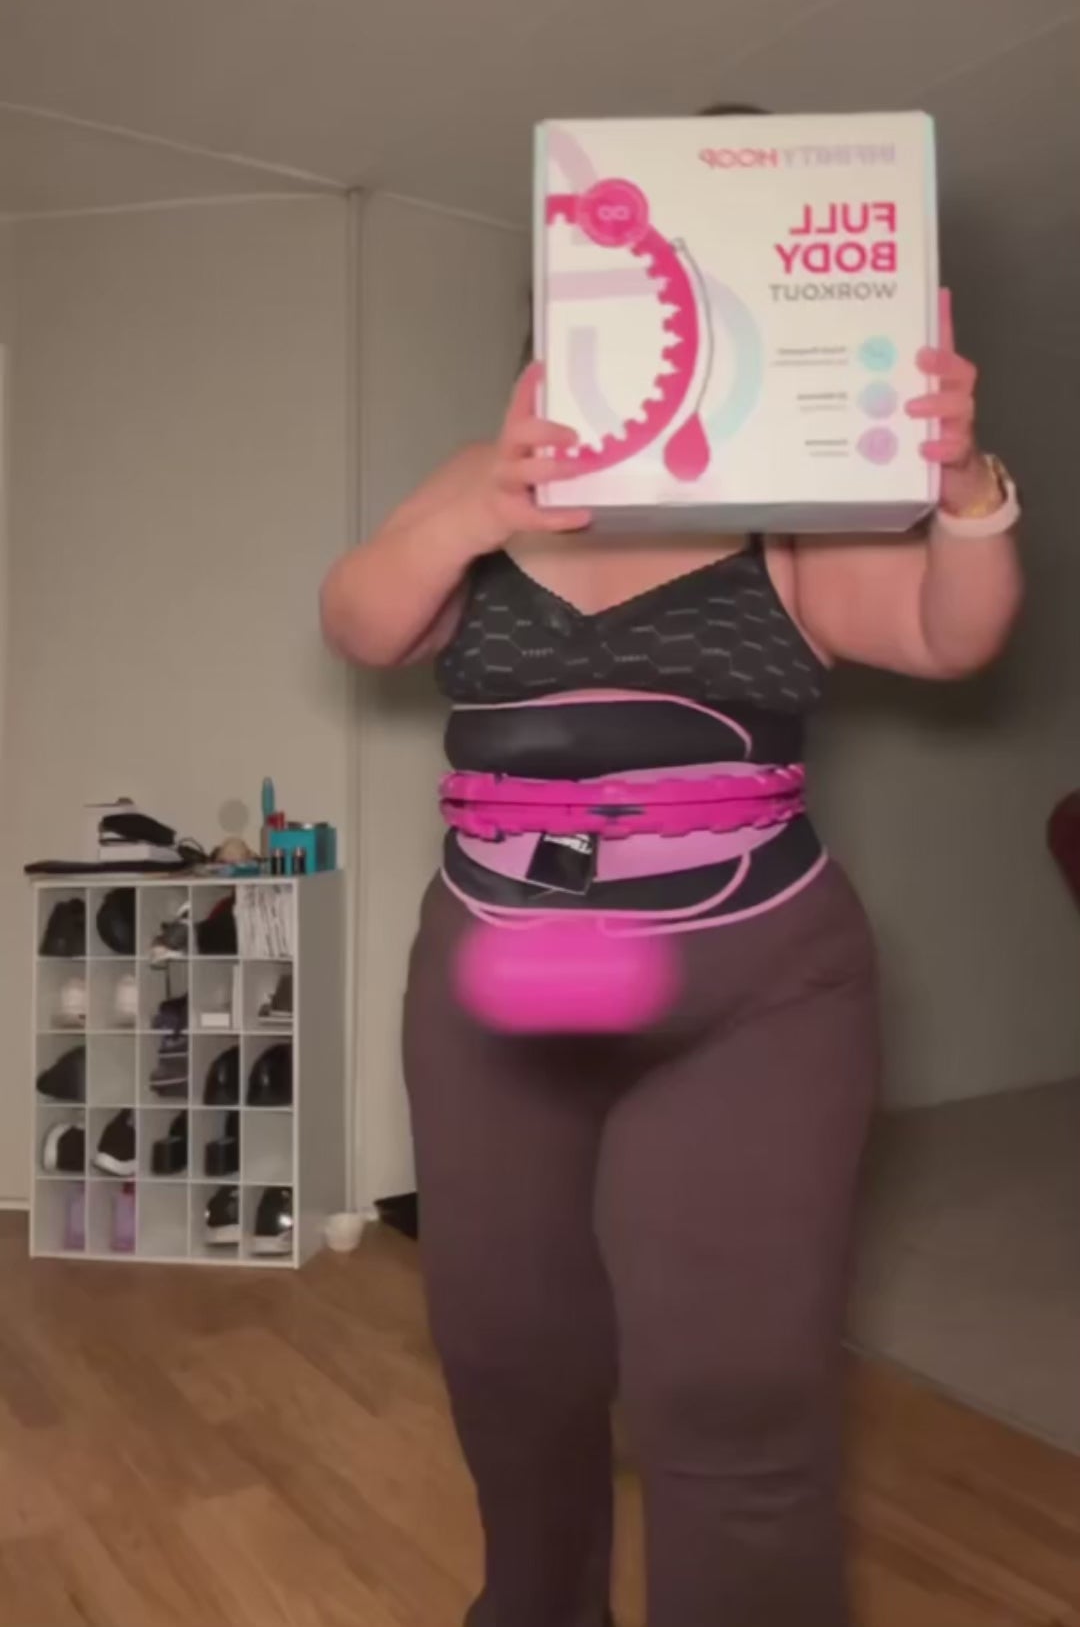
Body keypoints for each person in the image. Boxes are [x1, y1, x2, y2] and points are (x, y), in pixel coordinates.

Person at [320, 109, 1022, 1627]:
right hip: (498, 979)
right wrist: (475, 507)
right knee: (507, 1353)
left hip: (753, 989)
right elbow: (365, 623)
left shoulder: (796, 498)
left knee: (733, 1381)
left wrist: (967, 488)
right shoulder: (493, 473)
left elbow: (948, 634)